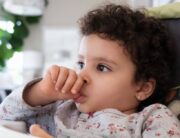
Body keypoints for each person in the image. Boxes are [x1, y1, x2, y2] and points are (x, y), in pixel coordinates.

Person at [0, 4, 180, 138]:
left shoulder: (151, 119)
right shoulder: (63, 109)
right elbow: (6, 116)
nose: (82, 75)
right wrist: (40, 92)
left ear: (142, 88)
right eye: (80, 63)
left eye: (102, 67)